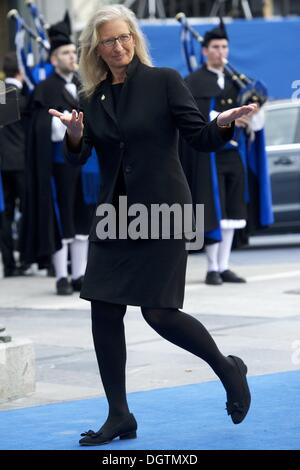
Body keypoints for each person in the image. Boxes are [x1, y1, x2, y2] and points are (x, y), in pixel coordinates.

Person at [50, 5, 254, 446]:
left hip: (163, 212)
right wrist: (74, 134)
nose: (118, 46)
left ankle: (227, 367)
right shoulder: (91, 97)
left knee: (159, 313)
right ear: (97, 49)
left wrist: (221, 123)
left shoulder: (164, 81)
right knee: (103, 310)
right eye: (109, 40)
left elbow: (199, 137)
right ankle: (119, 414)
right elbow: (78, 156)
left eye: (124, 37)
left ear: (134, 39)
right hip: (113, 216)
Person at [180, 20, 273, 286]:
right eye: (215, 47)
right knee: (214, 208)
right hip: (209, 156)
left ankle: (224, 265)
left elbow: (255, 121)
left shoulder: (237, 82)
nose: (221, 52)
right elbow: (193, 118)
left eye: (224, 47)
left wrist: (253, 115)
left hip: (234, 153)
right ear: (205, 51)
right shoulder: (193, 82)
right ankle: (211, 267)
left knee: (233, 208)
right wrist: (222, 118)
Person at [23, 14, 95, 295]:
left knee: (82, 218)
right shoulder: (45, 88)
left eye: (72, 52)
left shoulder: (83, 83)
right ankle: (62, 275)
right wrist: (60, 123)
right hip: (57, 165)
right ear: (54, 59)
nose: (71, 57)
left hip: (85, 164)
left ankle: (80, 274)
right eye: (65, 53)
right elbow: (39, 124)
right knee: (62, 217)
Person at [0, 52, 29, 277]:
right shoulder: (24, 96)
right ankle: (28, 258)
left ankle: (9, 264)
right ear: (19, 72)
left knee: (6, 214)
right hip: (21, 162)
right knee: (27, 211)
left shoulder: (2, 95)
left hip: (3, 163)